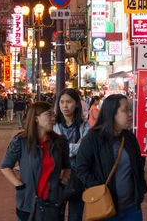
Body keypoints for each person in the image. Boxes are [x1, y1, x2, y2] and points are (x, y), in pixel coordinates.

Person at [76, 94, 147, 220]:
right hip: (105, 208)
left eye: (130, 110)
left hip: (131, 208)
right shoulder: (93, 139)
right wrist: (100, 189)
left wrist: (141, 187)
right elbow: (82, 169)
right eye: (125, 110)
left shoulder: (129, 138)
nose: (130, 114)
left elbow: (139, 164)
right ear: (112, 113)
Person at [0, 101, 71, 221]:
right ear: (36, 118)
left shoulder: (60, 142)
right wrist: (20, 186)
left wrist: (62, 184)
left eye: (54, 114)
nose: (53, 118)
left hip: (53, 202)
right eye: (49, 114)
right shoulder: (21, 141)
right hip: (28, 202)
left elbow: (67, 167)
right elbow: (5, 166)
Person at [53, 89, 90, 221]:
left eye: (68, 102)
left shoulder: (84, 125)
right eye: (62, 102)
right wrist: (76, 146)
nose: (65, 106)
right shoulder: (54, 125)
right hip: (58, 178)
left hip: (78, 178)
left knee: (76, 216)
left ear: (77, 104)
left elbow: (85, 149)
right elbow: (54, 149)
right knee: (56, 215)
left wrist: (65, 148)